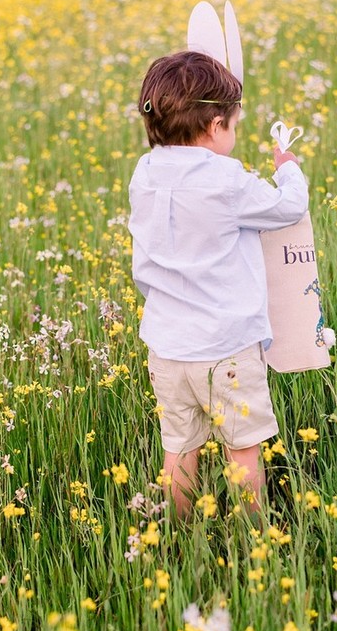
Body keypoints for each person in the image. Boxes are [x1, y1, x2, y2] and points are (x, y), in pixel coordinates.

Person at [128, 50, 309, 517]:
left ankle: (175, 536)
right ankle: (254, 539)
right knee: (243, 449)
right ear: (213, 126)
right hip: (225, 346)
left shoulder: (143, 173)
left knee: (180, 449)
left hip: (166, 348)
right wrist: (287, 166)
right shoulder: (229, 180)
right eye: (233, 125)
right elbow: (287, 208)